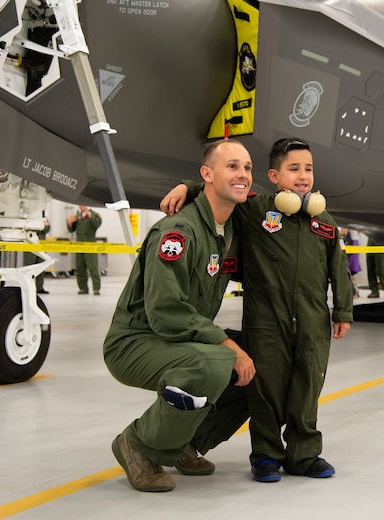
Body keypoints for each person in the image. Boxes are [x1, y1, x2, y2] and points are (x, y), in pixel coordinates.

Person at [161, 137, 353, 483]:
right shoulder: (257, 210)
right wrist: (187, 187)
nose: (303, 176)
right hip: (266, 319)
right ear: (275, 176)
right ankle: (266, 455)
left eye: (308, 169)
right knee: (265, 388)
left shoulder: (323, 221)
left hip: (312, 320)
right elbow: (219, 192)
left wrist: (342, 311)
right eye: (293, 169)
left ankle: (304, 454)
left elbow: (337, 267)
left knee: (307, 386)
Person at [103, 139, 256, 493]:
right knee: (216, 361)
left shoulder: (229, 229)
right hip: (136, 342)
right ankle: (138, 444)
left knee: (261, 358)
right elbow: (165, 311)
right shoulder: (178, 232)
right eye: (232, 166)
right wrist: (226, 342)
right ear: (208, 174)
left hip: (180, 340)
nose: (243, 175)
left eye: (247, 167)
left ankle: (184, 442)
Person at [66, 205, 101, 295]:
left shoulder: (94, 215)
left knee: (93, 267)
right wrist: (70, 223)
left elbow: (97, 224)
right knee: (80, 267)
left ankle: (96, 288)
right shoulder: (77, 215)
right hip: (79, 245)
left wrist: (90, 216)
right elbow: (71, 230)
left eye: (82, 205)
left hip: (90, 245)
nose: (80, 206)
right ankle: (83, 288)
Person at [25, 218, 51, 294]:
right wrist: (42, 226)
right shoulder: (28, 217)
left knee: (41, 267)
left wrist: (43, 227)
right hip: (31, 246)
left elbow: (47, 229)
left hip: (41, 246)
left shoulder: (44, 218)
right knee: (29, 267)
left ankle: (39, 287)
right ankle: (28, 288)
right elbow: (29, 228)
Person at [342, 228, 361, 298]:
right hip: (353, 243)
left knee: (348, 270)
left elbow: (344, 232)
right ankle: (355, 291)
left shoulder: (347, 223)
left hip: (351, 244)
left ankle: (354, 292)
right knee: (351, 271)